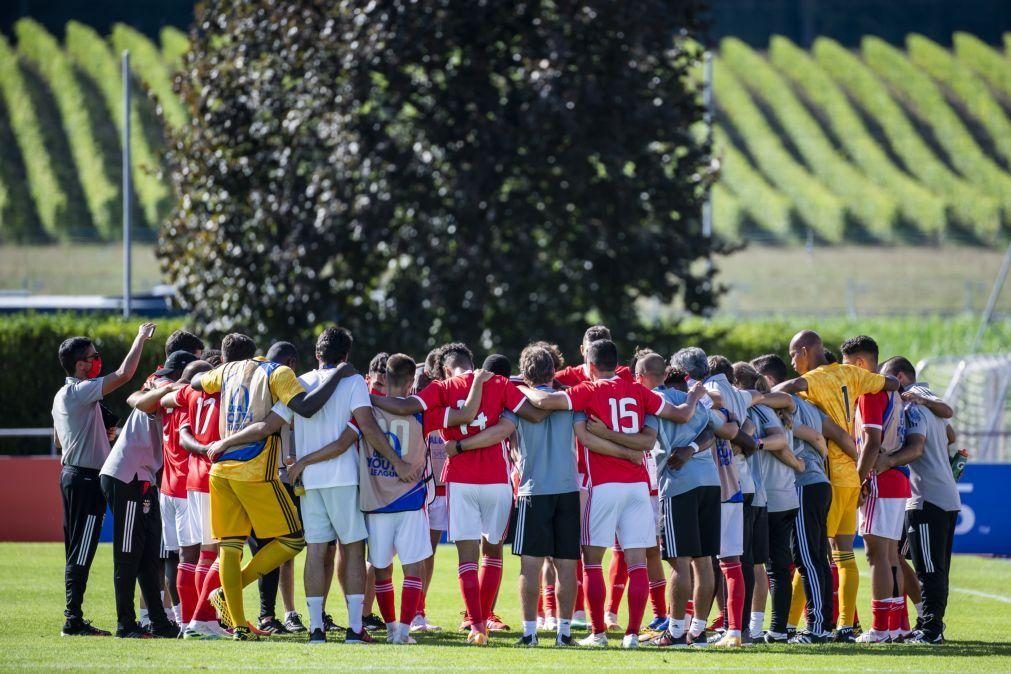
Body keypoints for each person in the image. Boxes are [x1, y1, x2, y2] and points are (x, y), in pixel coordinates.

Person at [522, 339, 702, 649]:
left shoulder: (588, 391)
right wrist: (696, 395)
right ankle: (631, 634)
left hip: (601, 485)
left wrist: (517, 388)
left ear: (590, 366)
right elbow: (682, 415)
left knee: (592, 561)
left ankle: (598, 633)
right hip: (637, 486)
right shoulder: (639, 391)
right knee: (637, 562)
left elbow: (543, 403)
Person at [371, 342, 546, 645]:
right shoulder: (501, 383)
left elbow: (406, 407)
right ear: (470, 361)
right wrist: (514, 401)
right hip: (497, 480)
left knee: (466, 558)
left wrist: (366, 400)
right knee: (492, 553)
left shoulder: (441, 388)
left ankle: (477, 626)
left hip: (461, 480)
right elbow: (534, 415)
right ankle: (485, 619)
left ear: (446, 368)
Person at [192, 331, 356, 641]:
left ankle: (239, 625)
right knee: (295, 539)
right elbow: (306, 407)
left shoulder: (227, 370)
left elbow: (196, 383)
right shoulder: (278, 373)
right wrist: (337, 376)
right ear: (290, 363)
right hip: (255, 470)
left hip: (221, 470)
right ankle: (230, 591)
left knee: (230, 547)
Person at [774, 330, 900, 643]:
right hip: (851, 476)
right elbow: (893, 383)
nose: (792, 362)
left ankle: (790, 625)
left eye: (793, 355)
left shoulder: (814, 379)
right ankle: (846, 625)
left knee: (812, 555)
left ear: (805, 350)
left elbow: (786, 388)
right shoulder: (853, 374)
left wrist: (762, 396)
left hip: (827, 474)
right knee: (843, 555)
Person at [455, 345, 583, 647]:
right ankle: (564, 634)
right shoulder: (570, 400)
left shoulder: (519, 402)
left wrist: (461, 446)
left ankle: (530, 634)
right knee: (566, 564)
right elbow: (588, 435)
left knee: (530, 565)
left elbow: (499, 433)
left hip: (532, 490)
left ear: (525, 374)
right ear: (554, 369)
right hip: (568, 489)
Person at [53, 322, 157, 637]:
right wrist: (140, 338)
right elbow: (124, 375)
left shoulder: (62, 394)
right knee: (81, 550)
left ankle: (74, 617)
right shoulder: (81, 390)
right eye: (92, 356)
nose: (97, 360)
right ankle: (72, 620)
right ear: (80, 364)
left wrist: (100, 434)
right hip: (85, 479)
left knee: (77, 548)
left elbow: (59, 441)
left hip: (72, 474)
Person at [635, 353, 740, 648]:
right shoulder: (693, 398)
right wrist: (693, 447)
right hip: (709, 482)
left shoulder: (654, 399)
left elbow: (648, 436)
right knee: (704, 561)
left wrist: (682, 451)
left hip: (679, 484)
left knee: (679, 563)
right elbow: (713, 431)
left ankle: (677, 632)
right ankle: (699, 631)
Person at [100, 349, 197, 638]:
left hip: (144, 478)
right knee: (128, 555)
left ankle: (158, 620)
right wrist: (173, 385)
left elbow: (137, 397)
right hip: (127, 475)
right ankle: (125, 624)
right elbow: (136, 401)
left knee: (149, 556)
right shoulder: (166, 386)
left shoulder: (162, 385)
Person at [353, 354, 444, 645]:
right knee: (412, 568)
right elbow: (460, 416)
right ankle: (403, 632)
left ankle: (391, 627)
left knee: (381, 570)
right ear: (409, 384)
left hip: (377, 502)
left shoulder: (364, 410)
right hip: (411, 499)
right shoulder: (421, 411)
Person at [752, 354, 842, 643]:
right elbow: (826, 437)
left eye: (759, 384)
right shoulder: (812, 408)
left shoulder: (789, 401)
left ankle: (816, 628)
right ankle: (824, 625)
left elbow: (785, 404)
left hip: (805, 485)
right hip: (818, 484)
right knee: (816, 557)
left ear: (768, 382)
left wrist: (749, 399)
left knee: (807, 559)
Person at [553, 325, 632, 624]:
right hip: (575, 471)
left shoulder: (623, 376)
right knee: (577, 543)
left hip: (612, 469)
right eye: (592, 345)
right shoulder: (567, 377)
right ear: (583, 349)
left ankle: (610, 612)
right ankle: (576, 611)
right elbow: (533, 383)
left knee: (622, 545)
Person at [880, 357, 960, 645]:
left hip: (926, 498)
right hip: (940, 496)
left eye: (887, 378)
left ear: (900, 377)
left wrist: (886, 461)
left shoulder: (914, 407)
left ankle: (931, 631)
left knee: (929, 569)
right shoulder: (928, 404)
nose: (884, 385)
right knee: (908, 559)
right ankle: (926, 622)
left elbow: (915, 448)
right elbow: (949, 434)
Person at [839, 336, 911, 643]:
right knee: (891, 556)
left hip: (879, 480)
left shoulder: (870, 391)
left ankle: (880, 629)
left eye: (846, 368)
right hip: (897, 479)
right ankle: (897, 625)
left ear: (859, 365)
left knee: (876, 555)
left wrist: (859, 478)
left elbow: (871, 440)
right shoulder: (890, 392)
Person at [733, 362, 804, 643]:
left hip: (768, 497)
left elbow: (777, 443)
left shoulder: (754, 409)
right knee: (775, 565)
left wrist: (753, 443)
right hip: (785, 495)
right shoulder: (774, 407)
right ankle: (775, 629)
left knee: (757, 565)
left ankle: (754, 627)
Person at [163, 359, 230, 640]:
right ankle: (202, 621)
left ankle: (189, 620)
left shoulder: (187, 395)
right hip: (209, 478)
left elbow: (165, 400)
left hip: (185, 482)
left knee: (189, 556)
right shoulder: (218, 393)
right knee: (215, 551)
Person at [157, 350, 206, 629]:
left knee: (172, 558)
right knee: (194, 557)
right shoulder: (192, 401)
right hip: (187, 489)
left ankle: (179, 618)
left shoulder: (167, 402)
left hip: (167, 488)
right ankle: (192, 620)